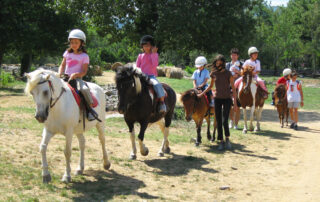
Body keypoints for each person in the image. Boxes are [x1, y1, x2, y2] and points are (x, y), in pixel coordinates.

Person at [198, 54, 237, 150]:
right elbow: (210, 86)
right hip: (218, 99)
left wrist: (235, 103)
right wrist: (202, 94)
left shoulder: (229, 74)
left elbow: (234, 88)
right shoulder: (214, 74)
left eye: (220, 63)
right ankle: (221, 141)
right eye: (216, 63)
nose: (218, 64)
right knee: (218, 120)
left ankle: (227, 138)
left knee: (224, 121)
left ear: (223, 63)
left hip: (227, 99)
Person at [58, 29, 98, 121]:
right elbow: (63, 65)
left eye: (76, 42)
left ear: (82, 43)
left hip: (77, 79)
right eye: (72, 42)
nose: (74, 44)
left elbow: (84, 71)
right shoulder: (67, 53)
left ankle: (90, 109)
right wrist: (59, 73)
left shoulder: (84, 56)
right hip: (66, 77)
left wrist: (76, 75)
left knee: (84, 89)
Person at [136, 35, 166, 113]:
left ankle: (162, 103)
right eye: (144, 45)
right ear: (142, 46)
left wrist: (153, 54)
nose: (146, 47)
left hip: (151, 76)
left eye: (148, 45)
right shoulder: (140, 56)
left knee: (157, 85)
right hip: (141, 75)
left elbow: (155, 64)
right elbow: (137, 66)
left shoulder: (155, 55)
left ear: (152, 46)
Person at [226, 48, 242, 129]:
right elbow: (224, 75)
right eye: (232, 55)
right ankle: (231, 121)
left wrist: (238, 73)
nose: (233, 56)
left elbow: (244, 74)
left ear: (238, 56)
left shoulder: (241, 64)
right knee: (229, 106)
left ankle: (236, 124)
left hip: (238, 87)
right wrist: (231, 77)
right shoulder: (227, 65)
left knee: (238, 106)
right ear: (230, 55)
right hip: (229, 87)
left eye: (235, 55)